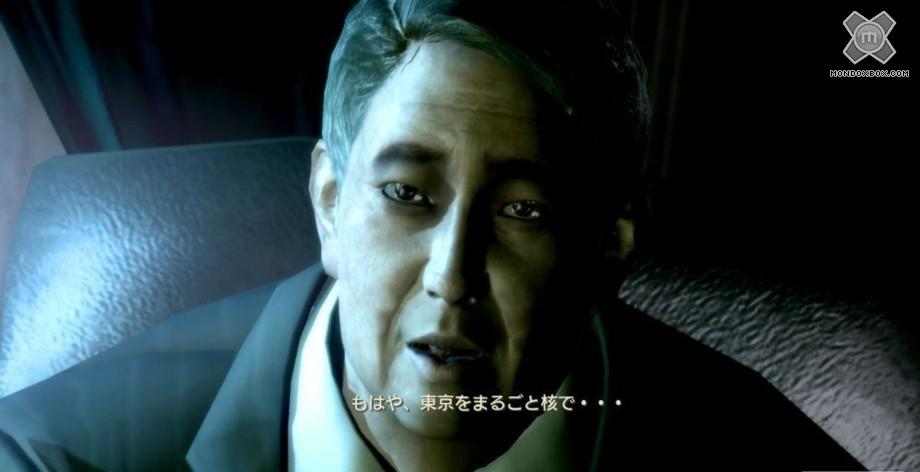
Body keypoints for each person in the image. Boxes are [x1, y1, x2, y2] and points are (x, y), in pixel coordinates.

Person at [0, 0, 863, 470]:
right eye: (408, 195)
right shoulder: (54, 459)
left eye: (523, 211)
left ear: (608, 246)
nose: (454, 275)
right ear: (330, 204)